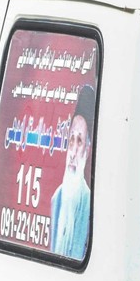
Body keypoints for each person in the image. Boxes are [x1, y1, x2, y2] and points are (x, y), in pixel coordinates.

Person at [50, 84, 95, 261]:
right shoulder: (57, 199)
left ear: (87, 150)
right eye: (71, 141)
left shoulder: (90, 204)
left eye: (80, 142)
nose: (73, 152)